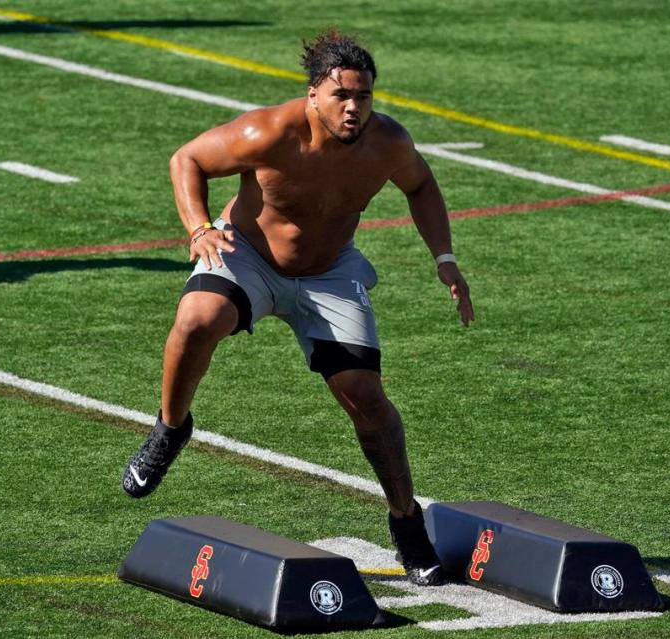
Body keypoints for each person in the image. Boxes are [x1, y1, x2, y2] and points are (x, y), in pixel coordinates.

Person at [121, 30, 474, 586]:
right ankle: (170, 428)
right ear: (313, 95)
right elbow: (186, 158)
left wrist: (445, 258)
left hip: (329, 272)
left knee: (368, 399)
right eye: (341, 97)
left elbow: (421, 184)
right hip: (249, 257)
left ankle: (408, 523)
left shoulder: (388, 142)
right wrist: (198, 229)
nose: (354, 108)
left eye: (364, 97)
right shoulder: (268, 132)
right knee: (196, 320)